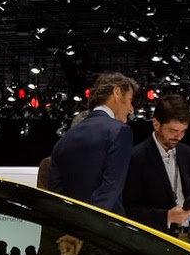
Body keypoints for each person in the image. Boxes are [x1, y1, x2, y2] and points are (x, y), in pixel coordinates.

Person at [48, 72, 136, 214]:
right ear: (117, 92)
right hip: (102, 225)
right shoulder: (119, 132)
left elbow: (56, 197)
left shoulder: (63, 141)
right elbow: (110, 188)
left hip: (69, 224)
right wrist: (89, 221)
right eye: (130, 100)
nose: (131, 109)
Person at [123, 94, 190, 234]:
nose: (179, 137)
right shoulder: (136, 158)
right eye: (173, 131)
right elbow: (129, 209)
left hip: (189, 236)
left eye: (183, 131)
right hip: (155, 238)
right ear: (156, 124)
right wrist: (166, 216)